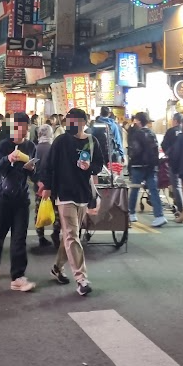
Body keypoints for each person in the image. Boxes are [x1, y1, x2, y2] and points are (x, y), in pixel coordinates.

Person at [40, 107, 104, 297]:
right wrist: (47, 187)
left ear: (83, 123)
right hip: (64, 194)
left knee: (70, 236)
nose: (70, 124)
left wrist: (89, 167)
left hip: (83, 194)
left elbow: (99, 165)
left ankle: (57, 267)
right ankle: (81, 279)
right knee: (72, 235)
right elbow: (49, 165)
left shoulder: (92, 141)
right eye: (68, 121)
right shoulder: (61, 141)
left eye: (74, 121)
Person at [0, 112, 36, 292]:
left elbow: (35, 173)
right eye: (17, 126)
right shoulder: (3, 145)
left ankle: (18, 276)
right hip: (3, 197)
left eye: (24, 127)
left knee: (19, 237)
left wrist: (32, 168)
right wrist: (8, 158)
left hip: (22, 198)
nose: (20, 130)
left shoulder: (30, 146)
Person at [126, 112, 168, 228]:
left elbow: (135, 150)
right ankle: (159, 216)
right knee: (153, 190)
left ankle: (131, 213)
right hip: (151, 166)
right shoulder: (151, 133)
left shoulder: (136, 134)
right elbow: (156, 150)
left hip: (138, 165)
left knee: (135, 189)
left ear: (138, 121)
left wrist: (131, 161)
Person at [32, 124, 58, 248]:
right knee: (57, 211)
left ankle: (41, 237)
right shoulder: (54, 149)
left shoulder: (34, 149)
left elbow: (31, 167)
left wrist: (38, 182)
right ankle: (56, 233)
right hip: (52, 186)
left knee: (39, 211)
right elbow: (55, 168)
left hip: (39, 187)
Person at [161, 112, 183, 215]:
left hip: (174, 162)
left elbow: (164, 145)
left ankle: (181, 209)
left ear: (175, 121)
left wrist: (168, 153)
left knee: (177, 186)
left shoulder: (171, 131)